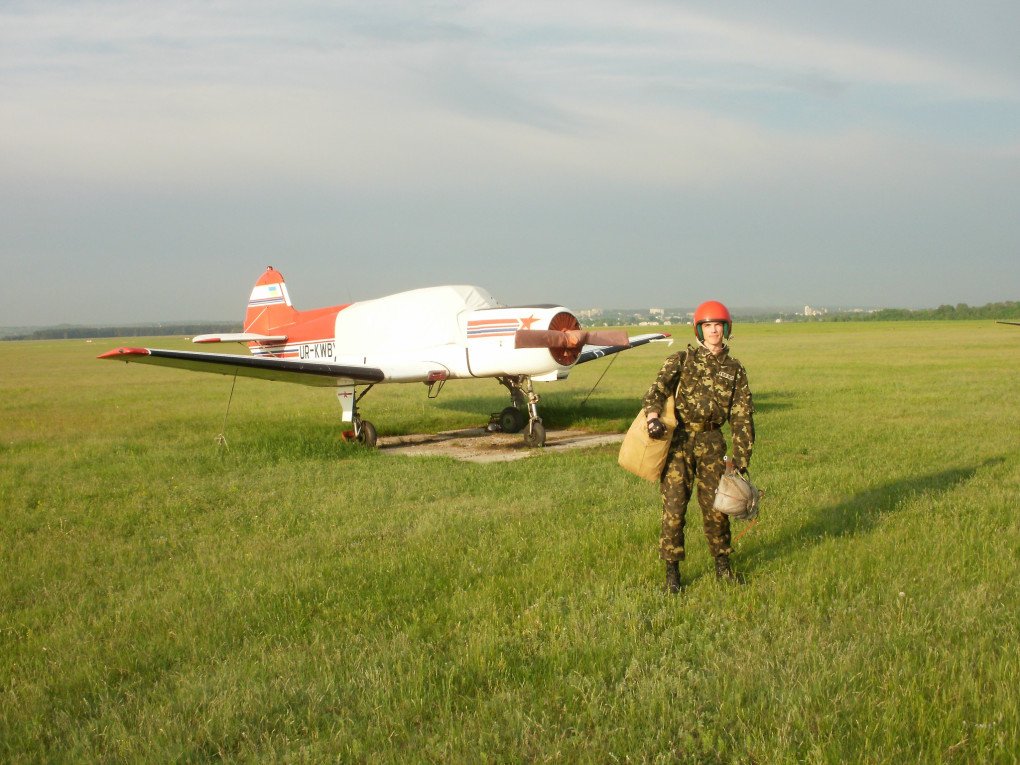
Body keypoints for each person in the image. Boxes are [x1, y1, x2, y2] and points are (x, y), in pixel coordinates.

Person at [642, 300, 755, 593]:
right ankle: (672, 575)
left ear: (726, 329)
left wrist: (741, 461)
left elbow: (742, 416)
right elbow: (656, 391)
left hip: (712, 443)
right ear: (699, 330)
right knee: (674, 509)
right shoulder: (681, 360)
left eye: (718, 325)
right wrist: (653, 419)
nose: (714, 330)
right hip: (679, 443)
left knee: (718, 508)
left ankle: (723, 567)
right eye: (708, 325)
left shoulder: (735, 369)